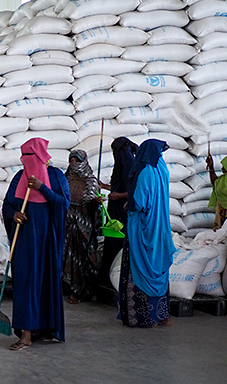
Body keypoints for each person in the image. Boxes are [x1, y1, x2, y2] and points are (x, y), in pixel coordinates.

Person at [2, 138, 69, 351]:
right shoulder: (18, 178)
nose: (25, 161)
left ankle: (47, 328)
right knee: (25, 283)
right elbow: (7, 205)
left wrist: (43, 189)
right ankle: (26, 334)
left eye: (29, 157)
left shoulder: (56, 177)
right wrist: (15, 214)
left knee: (47, 281)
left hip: (48, 242)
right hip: (25, 243)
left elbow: (64, 204)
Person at [118, 139, 176, 328]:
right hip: (161, 229)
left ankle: (144, 318)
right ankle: (163, 316)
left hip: (143, 230)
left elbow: (140, 203)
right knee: (159, 271)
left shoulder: (144, 171)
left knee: (139, 270)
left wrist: (129, 204)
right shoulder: (162, 169)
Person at [98, 137, 138, 288]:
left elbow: (135, 191)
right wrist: (106, 187)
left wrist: (118, 196)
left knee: (120, 242)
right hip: (115, 210)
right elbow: (120, 186)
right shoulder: (122, 164)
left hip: (124, 209)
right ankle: (108, 278)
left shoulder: (130, 165)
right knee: (112, 241)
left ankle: (117, 276)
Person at [63, 150, 102, 304]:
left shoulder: (91, 182)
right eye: (71, 161)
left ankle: (86, 290)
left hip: (84, 227)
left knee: (86, 257)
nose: (74, 165)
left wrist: (96, 203)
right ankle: (72, 290)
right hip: (67, 226)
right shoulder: (65, 179)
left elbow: (94, 208)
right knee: (69, 258)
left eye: (77, 161)